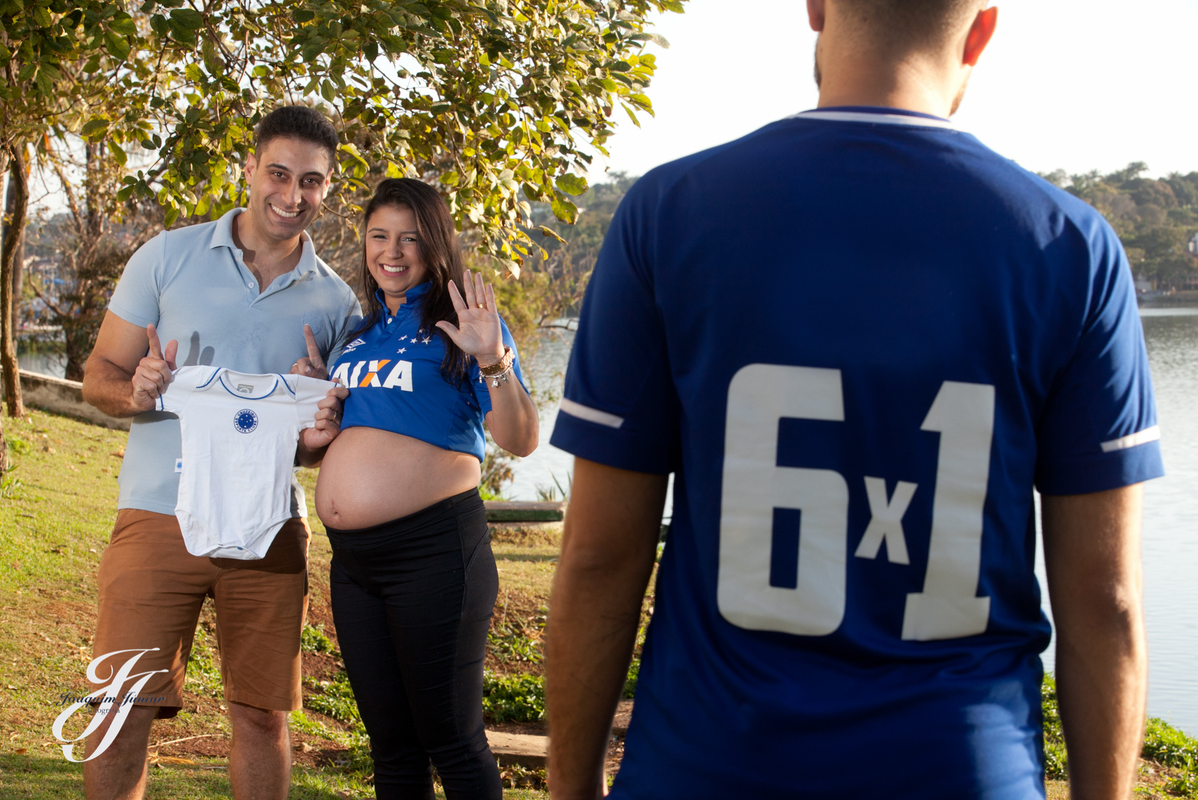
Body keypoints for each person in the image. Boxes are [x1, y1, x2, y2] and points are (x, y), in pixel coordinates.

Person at [545, 2, 1165, 799]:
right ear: (981, 30)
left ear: (814, 8)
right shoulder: (1072, 247)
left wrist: (570, 789)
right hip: (960, 769)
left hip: (709, 765)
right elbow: (1104, 599)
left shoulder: (668, 214)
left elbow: (600, 557)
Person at [80, 105, 360, 800]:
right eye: (279, 173)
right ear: (249, 168)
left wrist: (318, 414)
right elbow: (98, 377)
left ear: (329, 188)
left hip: (267, 525)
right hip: (157, 513)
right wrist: (139, 390)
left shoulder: (337, 303)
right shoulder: (167, 255)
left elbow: (322, 449)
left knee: (262, 715)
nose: (293, 196)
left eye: (312, 182)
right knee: (121, 704)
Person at [313, 177, 538, 800]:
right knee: (391, 747)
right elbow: (345, 443)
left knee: (453, 741)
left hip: (434, 554)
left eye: (410, 239)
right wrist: (316, 419)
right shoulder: (357, 336)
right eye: (379, 236)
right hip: (355, 564)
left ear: (435, 245)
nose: (393, 251)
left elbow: (520, 439)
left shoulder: (464, 325)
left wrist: (494, 361)